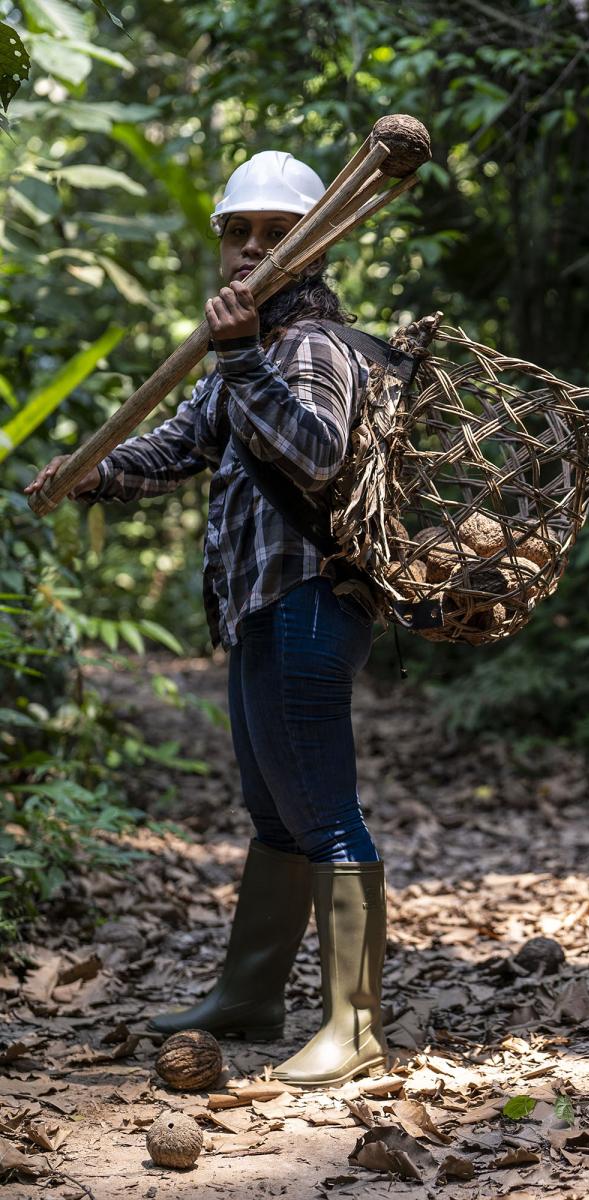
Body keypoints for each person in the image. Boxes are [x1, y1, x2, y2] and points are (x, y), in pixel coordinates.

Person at [25, 150, 388, 1089]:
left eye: (275, 235)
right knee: (272, 811)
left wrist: (236, 355)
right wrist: (97, 470)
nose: (250, 250)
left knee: (322, 812)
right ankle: (250, 996)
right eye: (238, 233)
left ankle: (355, 1026)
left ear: (314, 247)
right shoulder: (246, 347)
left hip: (311, 601)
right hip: (255, 605)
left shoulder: (311, 347)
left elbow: (312, 453)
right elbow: (184, 444)